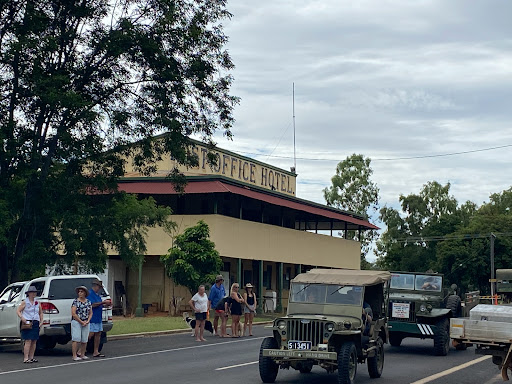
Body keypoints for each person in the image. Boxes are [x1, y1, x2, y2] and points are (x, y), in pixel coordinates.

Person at [17, 286, 43, 363]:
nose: (33, 294)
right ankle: (26, 357)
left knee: (34, 340)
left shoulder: (37, 302)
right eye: (32, 292)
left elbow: (40, 312)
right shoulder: (25, 302)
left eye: (35, 292)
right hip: (27, 321)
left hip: (35, 321)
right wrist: (22, 317)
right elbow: (18, 311)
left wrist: (41, 320)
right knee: (28, 340)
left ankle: (31, 357)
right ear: (28, 293)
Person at [87, 279, 110, 358]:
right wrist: (103, 302)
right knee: (90, 334)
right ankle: (81, 350)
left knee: (98, 333)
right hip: (92, 317)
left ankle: (96, 351)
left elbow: (98, 304)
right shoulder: (90, 294)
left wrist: (105, 305)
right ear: (95, 286)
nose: (99, 289)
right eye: (99, 287)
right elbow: (92, 305)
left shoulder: (97, 295)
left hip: (98, 317)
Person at [71, 286, 92, 361]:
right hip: (77, 321)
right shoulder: (75, 302)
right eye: (79, 292)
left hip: (85, 321)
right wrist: (81, 321)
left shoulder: (88, 302)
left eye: (81, 292)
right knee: (76, 338)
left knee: (84, 339)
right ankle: (74, 355)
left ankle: (82, 354)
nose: (80, 293)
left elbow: (90, 312)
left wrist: (88, 320)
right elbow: (73, 313)